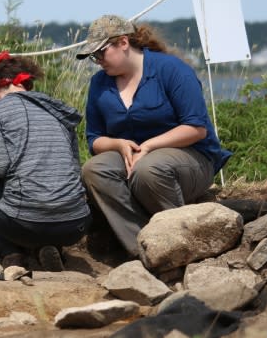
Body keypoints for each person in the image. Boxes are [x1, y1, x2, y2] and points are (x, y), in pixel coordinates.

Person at [76, 14, 232, 258]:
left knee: (148, 170)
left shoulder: (171, 70)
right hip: (134, 158)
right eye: (93, 57)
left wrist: (149, 146)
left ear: (123, 43)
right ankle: (143, 248)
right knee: (94, 170)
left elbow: (196, 128)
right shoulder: (99, 83)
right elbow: (95, 139)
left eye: (100, 53)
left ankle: (181, 243)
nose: (97, 61)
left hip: (190, 158)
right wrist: (118, 144)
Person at [0, 51, 92, 271]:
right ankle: (53, 247)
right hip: (76, 225)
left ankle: (10, 253)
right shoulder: (59, 111)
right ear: (26, 84)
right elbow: (74, 168)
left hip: (21, 224)